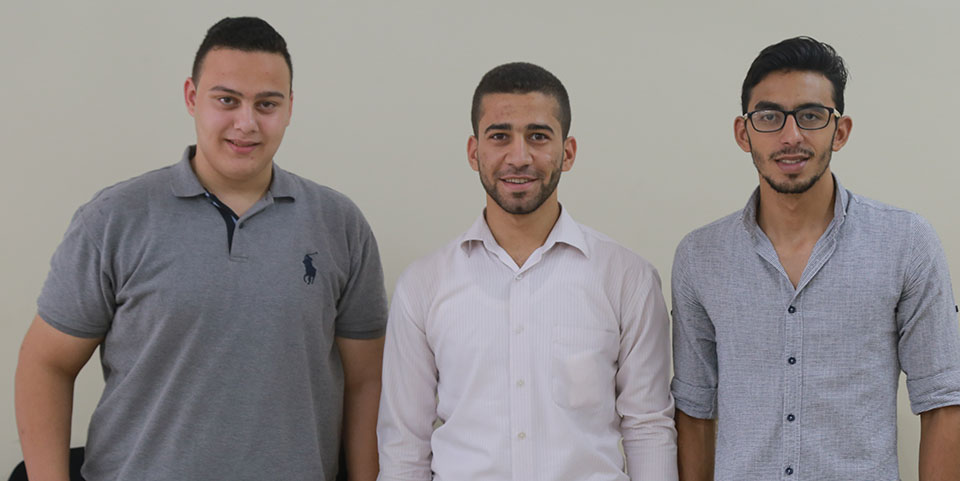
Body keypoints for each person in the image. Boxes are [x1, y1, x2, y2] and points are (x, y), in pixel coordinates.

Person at [15, 17, 387, 481]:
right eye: (226, 100)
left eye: (267, 104)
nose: (246, 123)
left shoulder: (340, 225)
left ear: (290, 107)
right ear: (192, 97)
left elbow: (366, 381)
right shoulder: (114, 218)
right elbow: (46, 363)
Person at [671, 36, 960, 480]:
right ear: (743, 133)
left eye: (810, 115)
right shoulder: (699, 257)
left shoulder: (906, 243)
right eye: (769, 116)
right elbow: (694, 409)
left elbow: (943, 400)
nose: (791, 136)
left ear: (839, 131)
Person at [377, 62, 677, 481]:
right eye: (500, 136)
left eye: (538, 136)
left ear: (567, 152)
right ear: (474, 152)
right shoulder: (423, 285)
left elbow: (648, 428)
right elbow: (404, 446)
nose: (519, 158)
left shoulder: (627, 278)